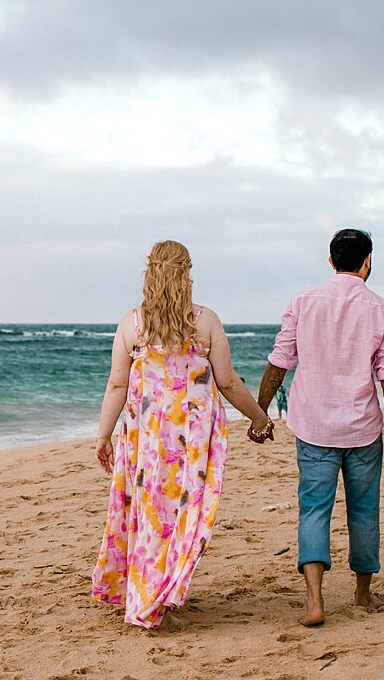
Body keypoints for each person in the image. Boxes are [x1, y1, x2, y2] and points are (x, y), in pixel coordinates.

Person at [91, 239, 275, 629]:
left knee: (148, 512)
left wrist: (103, 435)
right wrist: (259, 418)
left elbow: (117, 386)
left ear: (149, 273)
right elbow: (227, 380)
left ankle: (157, 589)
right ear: (187, 274)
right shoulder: (205, 321)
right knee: (184, 514)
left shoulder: (132, 323)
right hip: (191, 440)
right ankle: (155, 597)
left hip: (146, 439)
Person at [258, 228, 384, 627]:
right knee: (364, 511)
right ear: (368, 261)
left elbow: (279, 362)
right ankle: (362, 594)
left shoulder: (303, 302)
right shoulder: (383, 310)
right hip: (362, 429)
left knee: (313, 510)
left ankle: (314, 602)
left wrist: (260, 413)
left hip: (313, 428)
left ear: (330, 260)